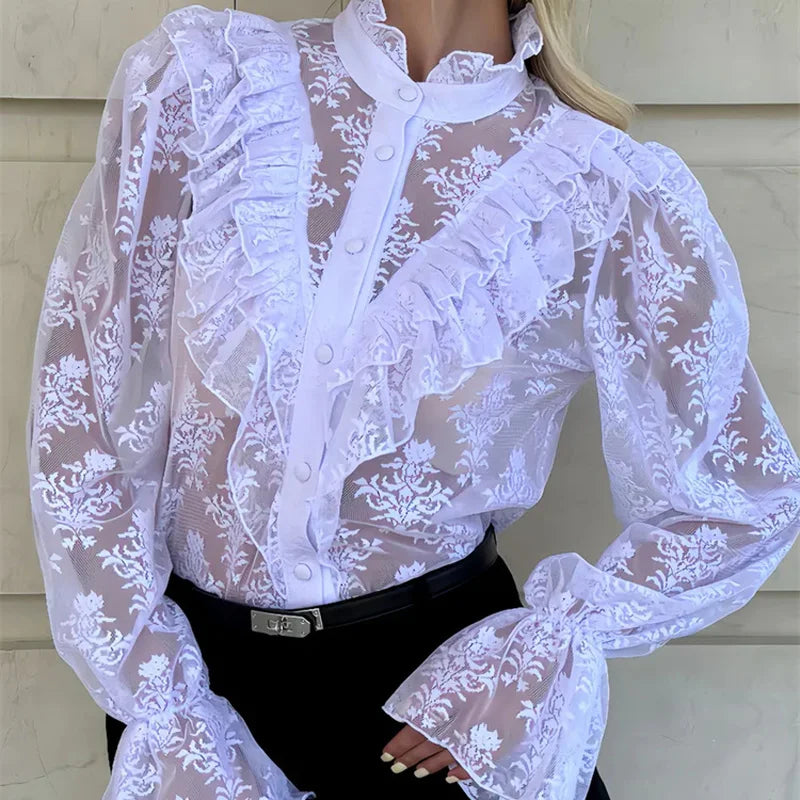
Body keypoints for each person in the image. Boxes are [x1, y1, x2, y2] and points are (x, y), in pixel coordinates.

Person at [25, 0, 800, 798]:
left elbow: (742, 494)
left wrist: (545, 655)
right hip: (192, 697)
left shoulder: (601, 191)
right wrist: (158, 696)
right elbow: (78, 417)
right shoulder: (205, 87)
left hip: (438, 717)